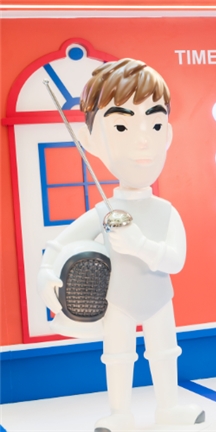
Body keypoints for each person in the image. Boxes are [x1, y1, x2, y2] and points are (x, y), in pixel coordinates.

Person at [37, 59, 204, 431]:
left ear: (167, 134)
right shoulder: (103, 211)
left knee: (165, 352)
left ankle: (168, 408)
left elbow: (175, 261)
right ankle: (119, 414)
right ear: (90, 141)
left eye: (155, 125)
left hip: (160, 298)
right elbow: (59, 245)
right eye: (122, 126)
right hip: (118, 300)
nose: (143, 140)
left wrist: (139, 244)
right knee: (117, 356)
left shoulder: (166, 211)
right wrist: (47, 273)